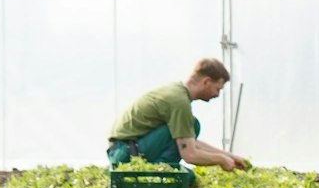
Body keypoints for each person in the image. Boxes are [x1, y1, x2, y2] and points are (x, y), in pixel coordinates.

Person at [107, 58, 252, 173]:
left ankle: (161, 170)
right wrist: (220, 160)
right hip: (125, 154)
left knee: (191, 126)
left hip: (123, 150)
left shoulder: (176, 93)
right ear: (206, 81)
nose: (217, 95)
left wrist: (229, 156)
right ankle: (160, 172)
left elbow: (188, 141)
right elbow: (190, 154)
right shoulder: (179, 102)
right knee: (188, 176)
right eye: (217, 88)